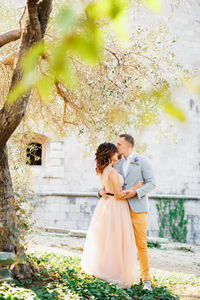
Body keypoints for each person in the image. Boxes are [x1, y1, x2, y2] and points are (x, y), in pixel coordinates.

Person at [81, 142, 142, 288]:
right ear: (109, 154)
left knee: (106, 238)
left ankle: (103, 267)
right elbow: (119, 195)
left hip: (105, 205)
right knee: (115, 238)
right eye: (115, 153)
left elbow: (104, 188)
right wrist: (136, 187)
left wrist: (101, 191)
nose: (118, 155)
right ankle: (114, 272)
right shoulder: (113, 172)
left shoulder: (101, 170)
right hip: (115, 206)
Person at [103, 134, 156, 291]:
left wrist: (136, 192)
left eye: (119, 144)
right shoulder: (116, 164)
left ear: (128, 146)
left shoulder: (142, 161)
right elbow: (109, 183)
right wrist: (100, 191)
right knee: (119, 243)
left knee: (141, 244)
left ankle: (146, 279)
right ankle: (120, 275)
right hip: (120, 209)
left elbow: (152, 183)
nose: (116, 146)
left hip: (138, 208)